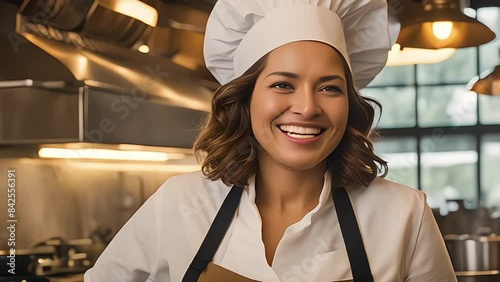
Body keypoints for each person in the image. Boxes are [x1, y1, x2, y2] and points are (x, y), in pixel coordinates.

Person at [84, 0, 458, 281]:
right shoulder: (178, 204)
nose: (308, 107)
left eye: (330, 87)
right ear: (245, 99)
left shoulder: (404, 214)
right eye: (283, 84)